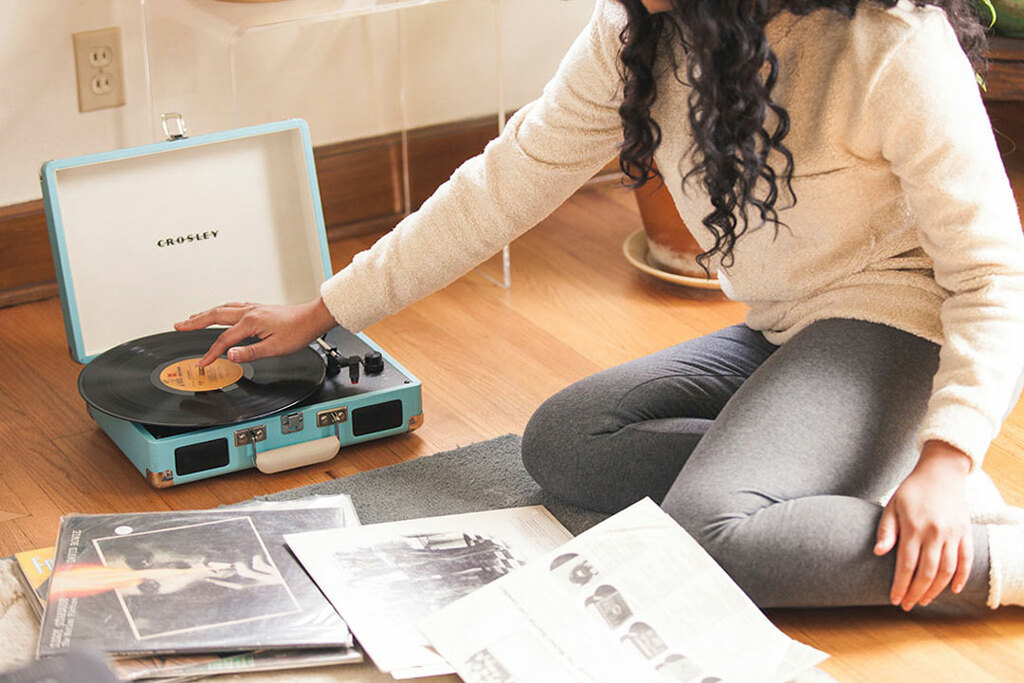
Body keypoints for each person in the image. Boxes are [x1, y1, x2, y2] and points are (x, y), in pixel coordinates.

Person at [176, 0, 1024, 612]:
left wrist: (947, 460)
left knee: (711, 532)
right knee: (566, 442)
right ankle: (838, 471)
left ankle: (994, 545)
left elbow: (995, 274)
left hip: (900, 327)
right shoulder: (640, 31)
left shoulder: (888, 41)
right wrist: (326, 308)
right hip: (786, 329)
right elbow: (503, 185)